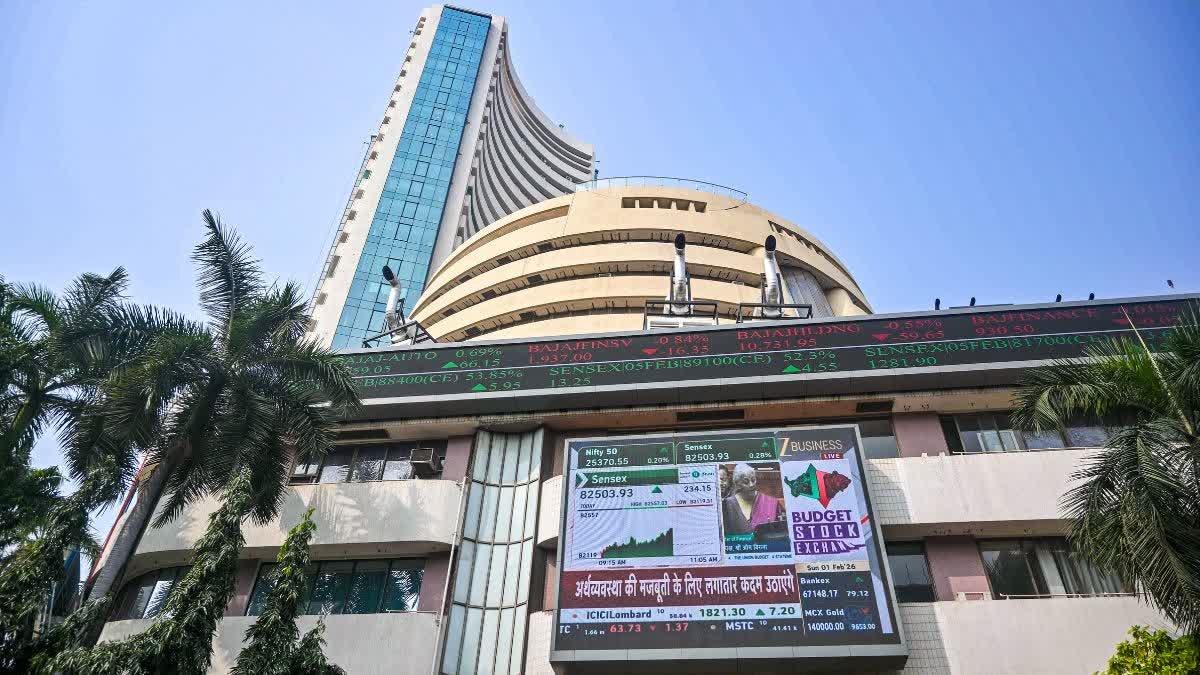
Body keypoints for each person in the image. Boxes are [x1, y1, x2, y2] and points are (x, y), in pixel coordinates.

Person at [721, 463, 784, 535]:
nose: (751, 485)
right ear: (737, 484)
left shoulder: (771, 503)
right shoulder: (727, 505)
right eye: (746, 482)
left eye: (753, 480)